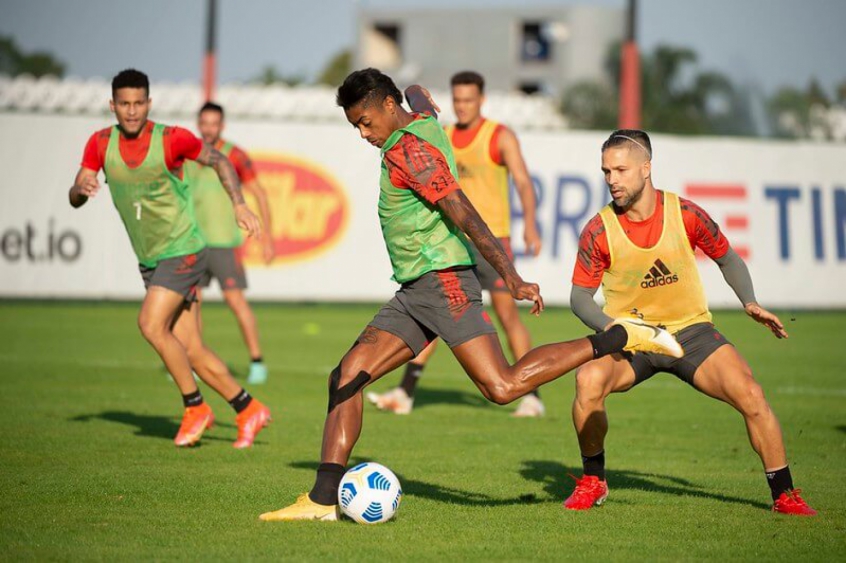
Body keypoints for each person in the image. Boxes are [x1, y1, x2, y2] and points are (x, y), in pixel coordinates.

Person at [259, 69, 682, 521]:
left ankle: (618, 338)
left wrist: (510, 275)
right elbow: (419, 96)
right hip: (415, 291)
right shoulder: (419, 118)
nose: (363, 134)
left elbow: (464, 213)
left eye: (365, 121)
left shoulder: (412, 151)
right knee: (345, 378)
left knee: (502, 386)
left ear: (387, 105)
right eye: (355, 126)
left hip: (443, 284)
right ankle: (324, 500)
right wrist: (420, 94)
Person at [563, 129, 816, 516]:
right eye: (606, 172)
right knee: (587, 380)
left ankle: (784, 495)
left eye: (621, 170)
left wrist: (749, 302)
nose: (612, 180)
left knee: (750, 394)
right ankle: (593, 481)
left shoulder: (685, 213)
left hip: (691, 331)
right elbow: (579, 297)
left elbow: (728, 258)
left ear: (646, 168)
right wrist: (616, 329)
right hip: (633, 337)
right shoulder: (598, 229)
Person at [69, 69, 271, 448]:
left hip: (184, 250)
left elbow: (221, 161)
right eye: (124, 104)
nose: (132, 111)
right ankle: (248, 408)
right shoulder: (99, 143)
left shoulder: (172, 138)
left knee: (149, 323)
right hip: (151, 257)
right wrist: (80, 188)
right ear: (112, 105)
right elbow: (76, 195)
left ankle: (195, 407)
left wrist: (240, 204)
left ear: (149, 103)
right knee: (190, 349)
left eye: (138, 103)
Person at [367, 70, 546, 417]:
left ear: (481, 100)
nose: (462, 107)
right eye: (458, 100)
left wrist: (531, 225)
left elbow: (523, 182)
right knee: (433, 317)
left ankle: (533, 396)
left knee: (508, 317)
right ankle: (405, 392)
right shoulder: (438, 134)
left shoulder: (499, 136)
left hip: (490, 238)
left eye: (469, 100)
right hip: (450, 240)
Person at [185, 102, 275, 385]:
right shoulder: (187, 153)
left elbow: (259, 194)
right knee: (191, 303)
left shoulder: (233, 155)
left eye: (214, 123)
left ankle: (257, 361)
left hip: (225, 243)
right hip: (192, 242)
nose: (209, 128)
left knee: (236, 302)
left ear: (221, 126)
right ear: (198, 123)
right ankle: (193, 360)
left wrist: (268, 237)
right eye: (205, 123)